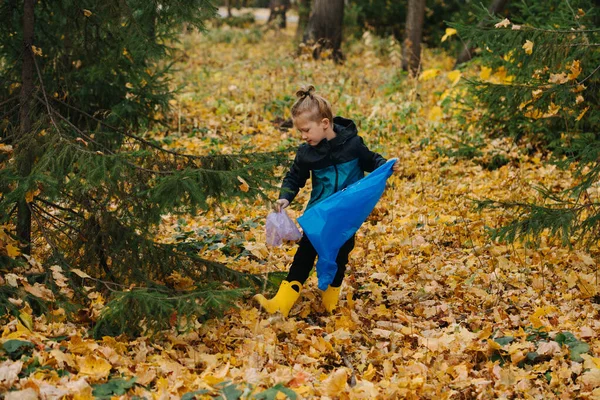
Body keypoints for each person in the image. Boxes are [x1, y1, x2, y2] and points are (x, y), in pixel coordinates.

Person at [254, 85, 399, 317]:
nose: (303, 136)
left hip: (345, 217)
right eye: (300, 131)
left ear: (324, 123)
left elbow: (370, 160)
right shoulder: (307, 153)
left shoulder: (352, 144)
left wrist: (385, 165)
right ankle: (281, 303)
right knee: (304, 255)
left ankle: (330, 298)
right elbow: (294, 176)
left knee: (340, 254)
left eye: (306, 130)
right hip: (319, 215)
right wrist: (284, 198)